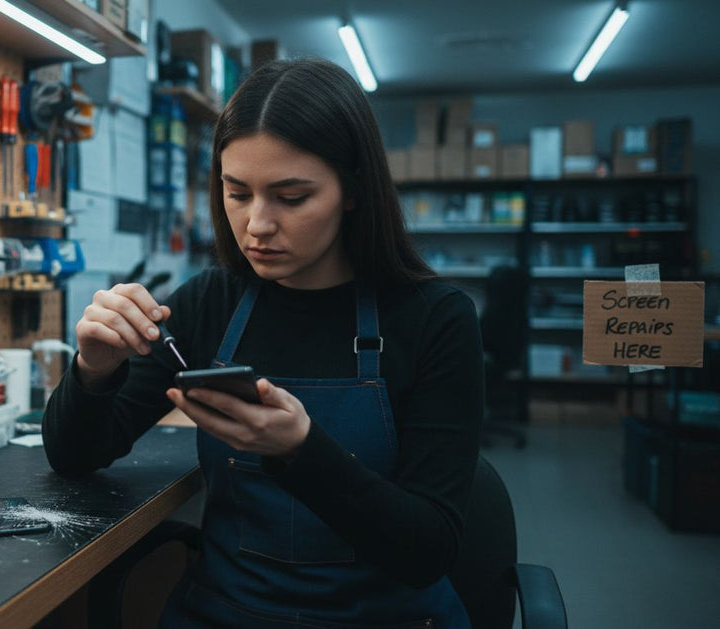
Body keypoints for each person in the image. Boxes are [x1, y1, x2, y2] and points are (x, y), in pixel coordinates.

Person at [43, 58, 483, 629]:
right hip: (229, 613)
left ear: (352, 189)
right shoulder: (211, 302)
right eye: (237, 192)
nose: (256, 225)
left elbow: (428, 550)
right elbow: (75, 458)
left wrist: (302, 449)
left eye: (291, 197)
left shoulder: (435, 320)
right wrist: (93, 371)